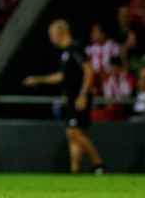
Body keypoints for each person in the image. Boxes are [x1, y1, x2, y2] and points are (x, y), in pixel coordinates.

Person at [24, 19, 106, 174]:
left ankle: (98, 164)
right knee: (73, 134)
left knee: (73, 132)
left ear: (60, 32)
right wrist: (38, 79)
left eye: (51, 34)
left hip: (79, 98)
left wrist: (82, 94)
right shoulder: (66, 53)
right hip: (71, 98)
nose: (50, 38)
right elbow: (61, 76)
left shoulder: (75, 48)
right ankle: (75, 169)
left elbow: (89, 71)